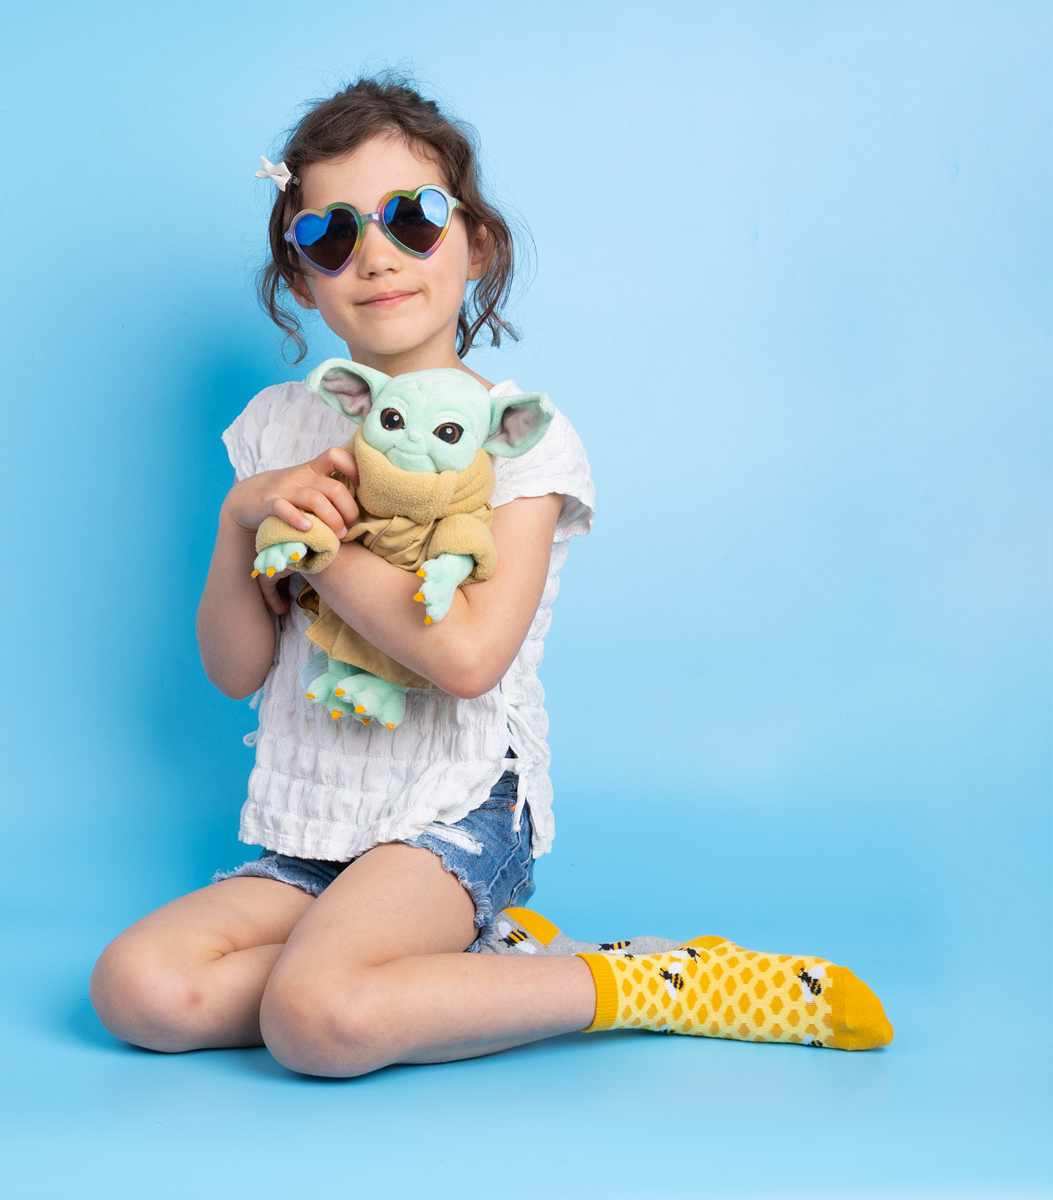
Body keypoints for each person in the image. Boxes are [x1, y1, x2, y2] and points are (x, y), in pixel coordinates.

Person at [89, 76, 892, 1077]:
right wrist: (240, 516)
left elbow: (466, 657)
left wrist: (327, 547)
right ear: (300, 277)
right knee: (140, 988)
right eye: (332, 235)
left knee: (317, 1021)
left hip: (449, 813)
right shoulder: (279, 430)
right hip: (316, 822)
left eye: (412, 219)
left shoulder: (523, 440)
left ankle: (635, 978)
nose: (375, 255)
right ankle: (449, 967)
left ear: (477, 244)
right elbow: (234, 669)